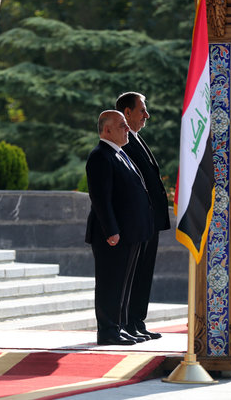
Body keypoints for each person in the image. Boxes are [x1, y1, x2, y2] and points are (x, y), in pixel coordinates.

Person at [85, 110, 154, 345]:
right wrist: (111, 230)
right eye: (122, 126)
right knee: (110, 282)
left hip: (130, 232)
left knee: (124, 284)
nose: (127, 129)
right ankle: (107, 330)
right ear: (107, 130)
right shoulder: (100, 156)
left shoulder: (120, 154)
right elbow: (100, 199)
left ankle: (120, 326)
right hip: (113, 234)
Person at [116, 92, 170, 340]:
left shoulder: (137, 139)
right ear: (127, 113)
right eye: (142, 110)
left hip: (150, 219)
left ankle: (137, 320)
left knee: (144, 273)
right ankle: (127, 321)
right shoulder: (124, 142)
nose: (146, 115)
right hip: (137, 220)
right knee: (134, 274)